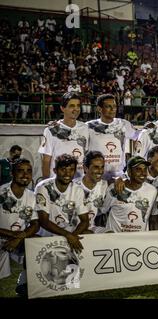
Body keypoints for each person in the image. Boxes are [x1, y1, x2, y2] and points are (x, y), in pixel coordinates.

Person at [35, 154, 90, 254]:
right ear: (55, 170)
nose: (67, 173)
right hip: (47, 235)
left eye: (71, 170)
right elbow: (43, 221)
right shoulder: (43, 187)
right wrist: (68, 236)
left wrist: (73, 236)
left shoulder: (77, 190)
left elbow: (85, 221)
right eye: (63, 169)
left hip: (69, 233)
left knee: (90, 234)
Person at [0, 159, 38, 297]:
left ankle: (24, 284)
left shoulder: (32, 196)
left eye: (28, 171)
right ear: (12, 173)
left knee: (35, 242)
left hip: (16, 240)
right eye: (20, 170)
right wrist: (14, 235)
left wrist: (20, 237)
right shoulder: (1, 192)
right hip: (3, 237)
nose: (25, 174)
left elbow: (35, 224)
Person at [87, 94, 140, 181]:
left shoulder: (123, 124)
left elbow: (139, 135)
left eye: (114, 106)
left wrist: (148, 128)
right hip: (96, 176)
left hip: (118, 175)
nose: (113, 109)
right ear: (99, 109)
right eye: (108, 106)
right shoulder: (89, 126)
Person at [38, 92, 89, 180]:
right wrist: (46, 183)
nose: (76, 109)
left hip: (78, 183)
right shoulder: (51, 130)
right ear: (62, 108)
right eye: (72, 106)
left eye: (78, 105)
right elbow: (46, 160)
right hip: (57, 182)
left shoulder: (85, 128)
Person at [103, 156, 158, 233]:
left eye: (145, 169)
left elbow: (154, 218)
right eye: (138, 169)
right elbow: (103, 210)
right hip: (116, 240)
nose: (143, 173)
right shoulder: (114, 188)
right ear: (129, 172)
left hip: (139, 240)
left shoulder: (152, 191)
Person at [74, 151, 108, 233]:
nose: (100, 171)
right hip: (71, 227)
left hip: (91, 228)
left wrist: (119, 180)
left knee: (109, 233)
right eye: (96, 167)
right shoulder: (73, 186)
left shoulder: (104, 185)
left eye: (102, 167)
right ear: (85, 168)